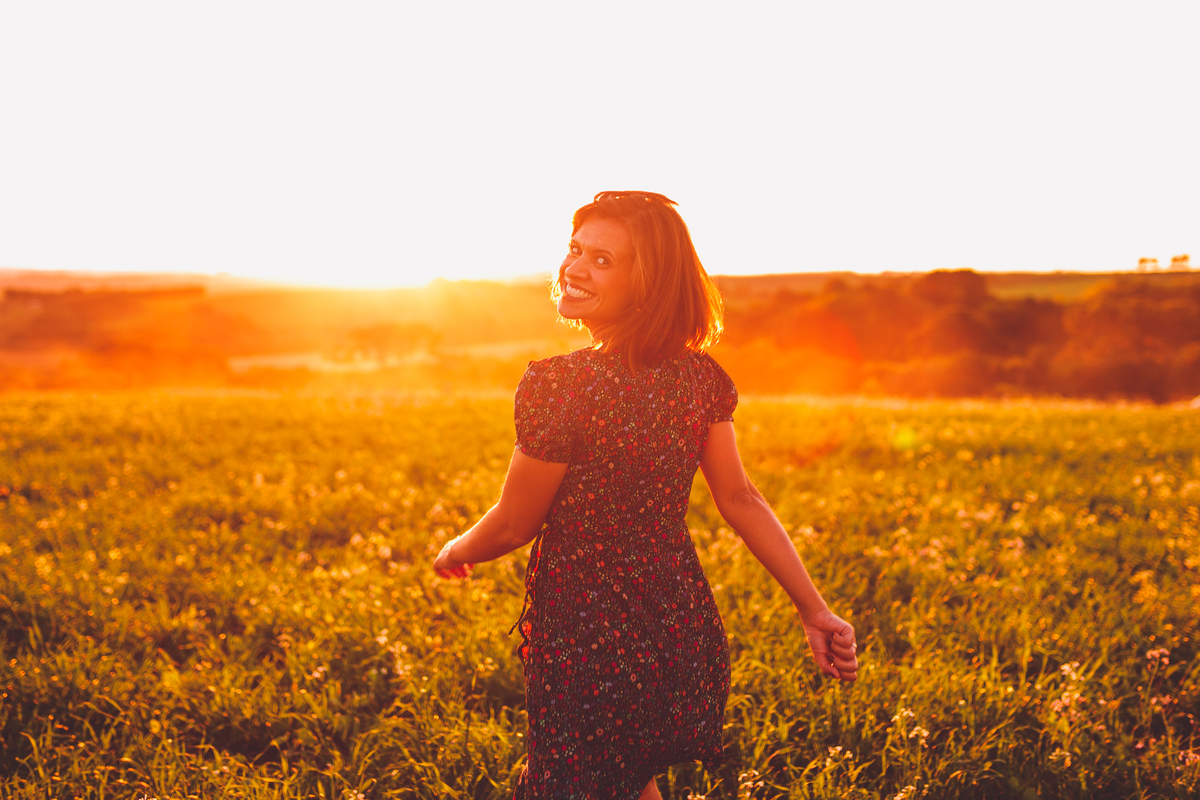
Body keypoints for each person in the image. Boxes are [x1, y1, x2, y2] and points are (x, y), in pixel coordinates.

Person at [433, 191, 858, 800]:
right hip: (675, 623)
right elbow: (740, 499)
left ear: (649, 284)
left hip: (587, 630)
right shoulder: (699, 378)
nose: (575, 268)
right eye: (576, 250)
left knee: (573, 786)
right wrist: (812, 608)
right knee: (628, 781)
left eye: (603, 260)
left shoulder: (561, 385)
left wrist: (453, 548)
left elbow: (512, 525)